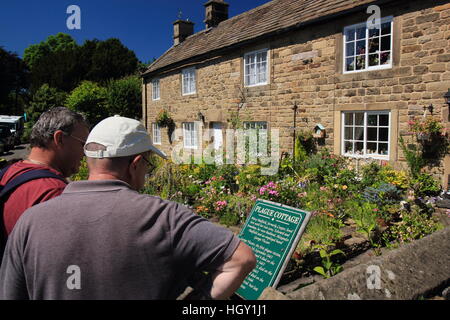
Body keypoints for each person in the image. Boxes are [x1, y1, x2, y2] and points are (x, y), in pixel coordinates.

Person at [0, 116, 256, 300]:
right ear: (135, 164)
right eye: (147, 163)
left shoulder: (30, 221)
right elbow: (242, 259)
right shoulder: (166, 217)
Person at [0, 107, 89, 236]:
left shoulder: (9, 173)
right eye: (83, 144)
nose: (84, 153)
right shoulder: (54, 193)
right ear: (59, 139)